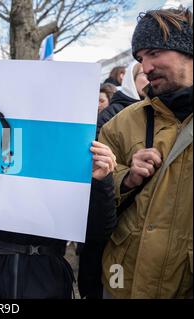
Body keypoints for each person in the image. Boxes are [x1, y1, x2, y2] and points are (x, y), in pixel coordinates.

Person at [99, 6, 192, 298]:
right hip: (122, 281)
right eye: (140, 58)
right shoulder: (121, 123)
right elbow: (92, 195)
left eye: (154, 53)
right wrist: (125, 178)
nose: (145, 67)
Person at [77, 61, 149, 299]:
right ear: (129, 78)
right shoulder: (115, 117)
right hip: (116, 238)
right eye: (142, 72)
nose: (149, 72)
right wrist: (125, 176)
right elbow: (95, 170)